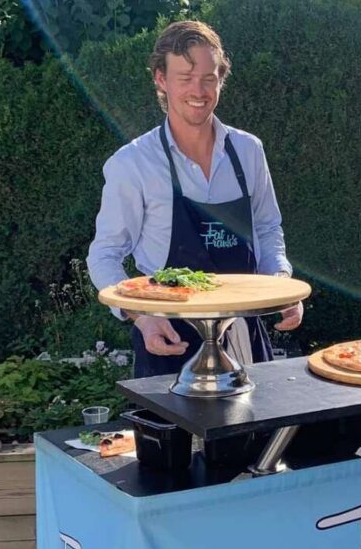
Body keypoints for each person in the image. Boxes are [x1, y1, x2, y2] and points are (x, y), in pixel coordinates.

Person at [87, 20, 303, 378]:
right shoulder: (133, 163)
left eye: (208, 78)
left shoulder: (247, 151)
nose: (198, 91)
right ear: (161, 79)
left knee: (261, 434)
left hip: (244, 336)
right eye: (184, 78)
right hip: (169, 340)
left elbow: (267, 228)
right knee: (177, 436)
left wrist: (280, 285)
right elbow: (104, 254)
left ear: (221, 78)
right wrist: (140, 317)